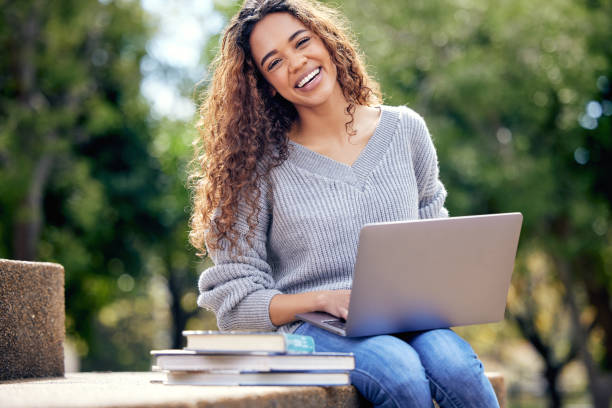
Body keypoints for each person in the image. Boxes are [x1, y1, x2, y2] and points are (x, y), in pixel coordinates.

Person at [189, 0, 500, 406]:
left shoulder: (406, 131)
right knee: (399, 372)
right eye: (275, 62)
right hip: (312, 329)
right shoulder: (254, 169)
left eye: (302, 42)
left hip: (409, 318)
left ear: (327, 41)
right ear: (266, 84)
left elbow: (433, 241)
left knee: (459, 369)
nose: (298, 63)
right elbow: (234, 306)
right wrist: (323, 299)